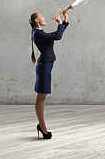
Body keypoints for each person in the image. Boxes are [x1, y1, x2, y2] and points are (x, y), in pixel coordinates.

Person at [29, 10, 69, 139]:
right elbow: (57, 36)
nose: (44, 18)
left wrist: (64, 22)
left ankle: (41, 126)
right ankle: (42, 127)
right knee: (41, 98)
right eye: (42, 17)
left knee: (42, 97)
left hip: (45, 66)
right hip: (44, 68)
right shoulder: (38, 33)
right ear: (37, 20)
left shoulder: (39, 33)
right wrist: (61, 22)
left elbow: (56, 35)